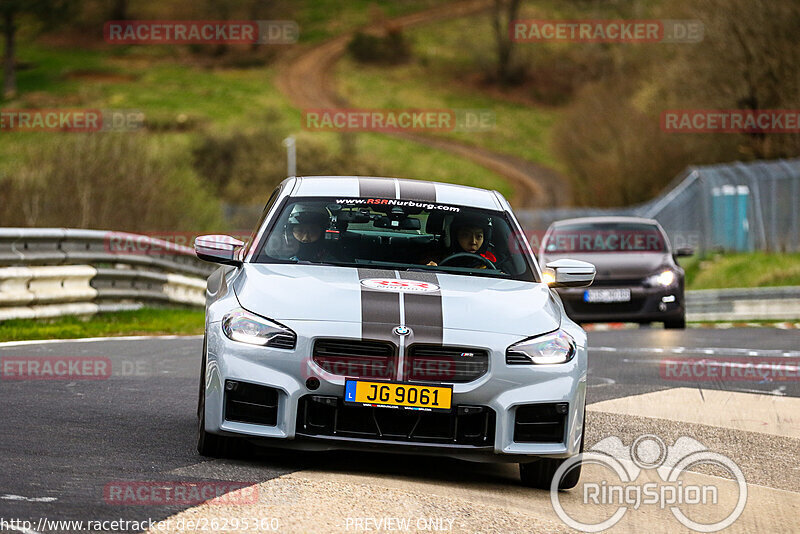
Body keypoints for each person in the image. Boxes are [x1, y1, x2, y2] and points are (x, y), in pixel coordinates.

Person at [426, 213, 497, 268]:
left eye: (479, 236)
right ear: (454, 237)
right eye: (466, 235)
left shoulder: (492, 263)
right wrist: (432, 269)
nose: (473, 242)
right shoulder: (437, 258)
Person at [266, 205, 332, 261]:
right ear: (289, 232)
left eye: (313, 231)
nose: (305, 238)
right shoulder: (276, 258)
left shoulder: (332, 261)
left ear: (323, 233)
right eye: (300, 231)